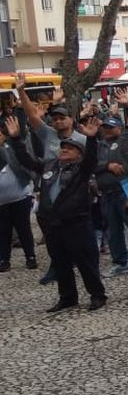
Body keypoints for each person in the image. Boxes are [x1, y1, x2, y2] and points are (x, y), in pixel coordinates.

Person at [7, 113, 107, 312]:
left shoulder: (81, 170)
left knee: (85, 261)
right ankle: (68, 297)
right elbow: (26, 161)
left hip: (76, 222)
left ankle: (97, 295)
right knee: (60, 262)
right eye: (63, 148)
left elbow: (91, 159)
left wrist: (91, 139)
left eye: (70, 148)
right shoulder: (50, 166)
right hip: (53, 223)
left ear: (79, 154)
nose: (64, 150)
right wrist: (16, 139)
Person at [94, 114, 128, 277]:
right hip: (106, 193)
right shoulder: (99, 146)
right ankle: (120, 262)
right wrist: (107, 166)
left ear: (119, 128)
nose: (107, 130)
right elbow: (91, 165)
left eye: (111, 128)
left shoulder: (124, 143)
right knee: (113, 231)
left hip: (124, 191)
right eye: (105, 128)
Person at [0, 116, 37, 272]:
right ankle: (4, 259)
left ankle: (30, 257)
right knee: (3, 231)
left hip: (20, 196)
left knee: (24, 228)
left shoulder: (10, 148)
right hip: (1, 202)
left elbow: (19, 160)